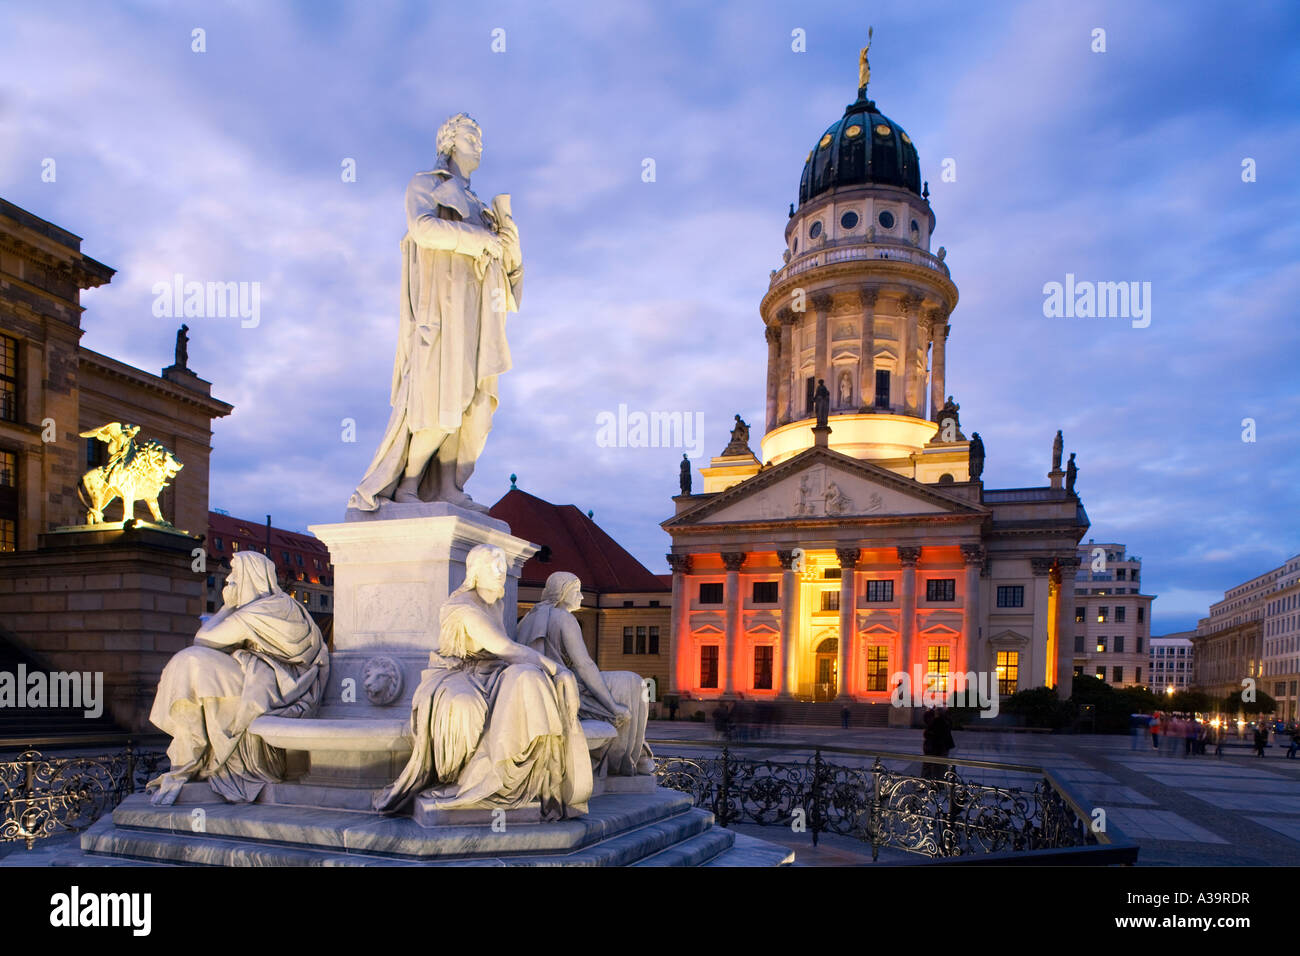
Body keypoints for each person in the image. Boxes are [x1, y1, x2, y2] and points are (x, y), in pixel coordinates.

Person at [349, 113, 523, 513]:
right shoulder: (426, 184)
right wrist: (480, 238)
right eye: (470, 135)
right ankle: (409, 484)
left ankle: (449, 487)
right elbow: (424, 229)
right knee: (442, 401)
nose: (479, 142)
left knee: (475, 409)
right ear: (448, 141)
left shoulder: (483, 207)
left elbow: (510, 280)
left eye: (480, 136)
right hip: (443, 311)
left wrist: (509, 247)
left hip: (478, 314)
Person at [373, 545, 590, 817]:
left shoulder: (496, 603)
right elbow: (505, 647)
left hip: (491, 671)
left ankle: (510, 776)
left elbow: (505, 653)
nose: (502, 572)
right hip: (456, 674)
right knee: (465, 708)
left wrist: (548, 672)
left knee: (529, 679)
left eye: (503, 565)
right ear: (475, 573)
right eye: (493, 566)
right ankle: (459, 779)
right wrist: (560, 670)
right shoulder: (462, 607)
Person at [146, 551, 329, 805]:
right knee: (190, 664)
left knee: (191, 661)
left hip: (277, 685)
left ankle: (190, 759)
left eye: (234, 574)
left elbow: (204, 639)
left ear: (250, 577)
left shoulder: (263, 610)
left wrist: (227, 606)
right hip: (268, 679)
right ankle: (191, 758)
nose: (229, 580)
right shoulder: (277, 604)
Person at [516, 571, 653, 776]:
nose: (581, 597)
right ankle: (628, 759)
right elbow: (585, 665)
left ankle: (638, 753)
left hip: (548, 686)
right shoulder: (564, 617)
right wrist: (612, 705)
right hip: (566, 687)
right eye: (577, 591)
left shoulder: (529, 617)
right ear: (563, 593)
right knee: (635, 683)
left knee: (629, 683)